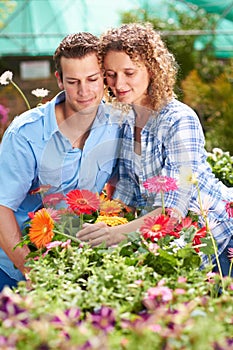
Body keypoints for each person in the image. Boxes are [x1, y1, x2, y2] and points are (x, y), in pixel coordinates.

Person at [77, 23, 233, 277]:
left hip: (211, 234)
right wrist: (99, 222)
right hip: (163, 233)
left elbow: (173, 209)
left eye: (129, 72)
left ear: (152, 70)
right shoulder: (127, 120)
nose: (119, 83)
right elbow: (128, 188)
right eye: (111, 74)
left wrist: (115, 233)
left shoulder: (179, 120)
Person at [0, 32, 125, 291]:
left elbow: (116, 184)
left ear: (104, 77)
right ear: (59, 80)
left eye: (92, 79)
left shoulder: (115, 124)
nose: (84, 91)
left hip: (80, 261)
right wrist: (32, 272)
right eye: (73, 81)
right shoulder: (26, 134)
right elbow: (2, 208)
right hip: (17, 266)